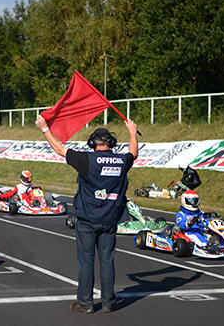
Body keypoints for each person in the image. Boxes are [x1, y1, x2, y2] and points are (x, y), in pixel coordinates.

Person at [36, 115, 138, 314]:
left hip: (87, 219)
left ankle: (86, 303)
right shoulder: (121, 161)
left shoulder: (86, 159)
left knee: (86, 262)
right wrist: (132, 132)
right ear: (112, 144)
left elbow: (58, 148)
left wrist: (44, 128)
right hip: (110, 219)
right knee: (107, 262)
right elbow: (133, 152)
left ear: (92, 144)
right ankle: (109, 302)